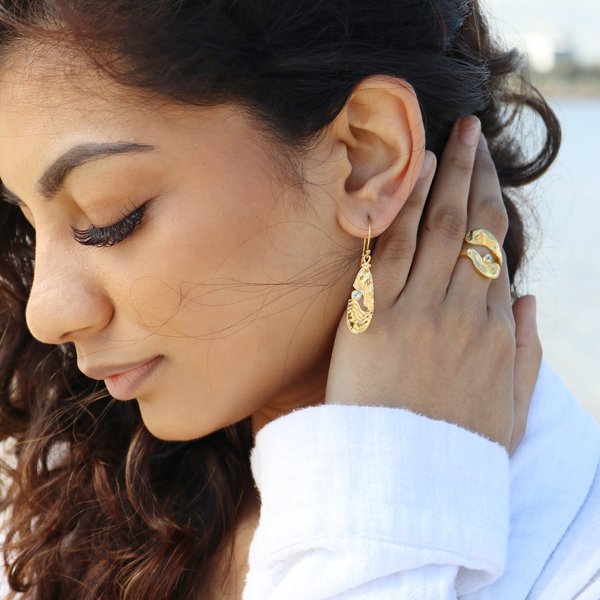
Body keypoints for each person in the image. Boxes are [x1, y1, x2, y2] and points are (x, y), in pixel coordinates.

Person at [0, 0, 598, 599]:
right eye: (28, 221)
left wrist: (384, 510)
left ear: (367, 155)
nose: (45, 314)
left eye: (109, 219)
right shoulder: (68, 485)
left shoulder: (576, 565)